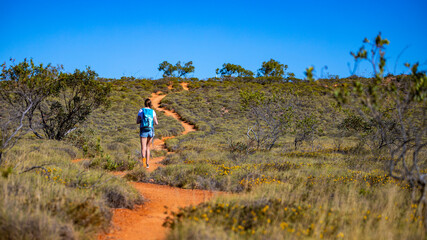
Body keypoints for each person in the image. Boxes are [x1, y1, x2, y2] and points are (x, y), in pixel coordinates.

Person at [136, 99, 158, 168]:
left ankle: (143, 164)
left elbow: (137, 121)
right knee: (148, 147)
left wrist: (141, 121)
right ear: (150, 104)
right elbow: (156, 123)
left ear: (144, 104)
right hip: (150, 130)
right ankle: (147, 164)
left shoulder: (141, 110)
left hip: (143, 130)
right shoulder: (153, 111)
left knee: (143, 148)